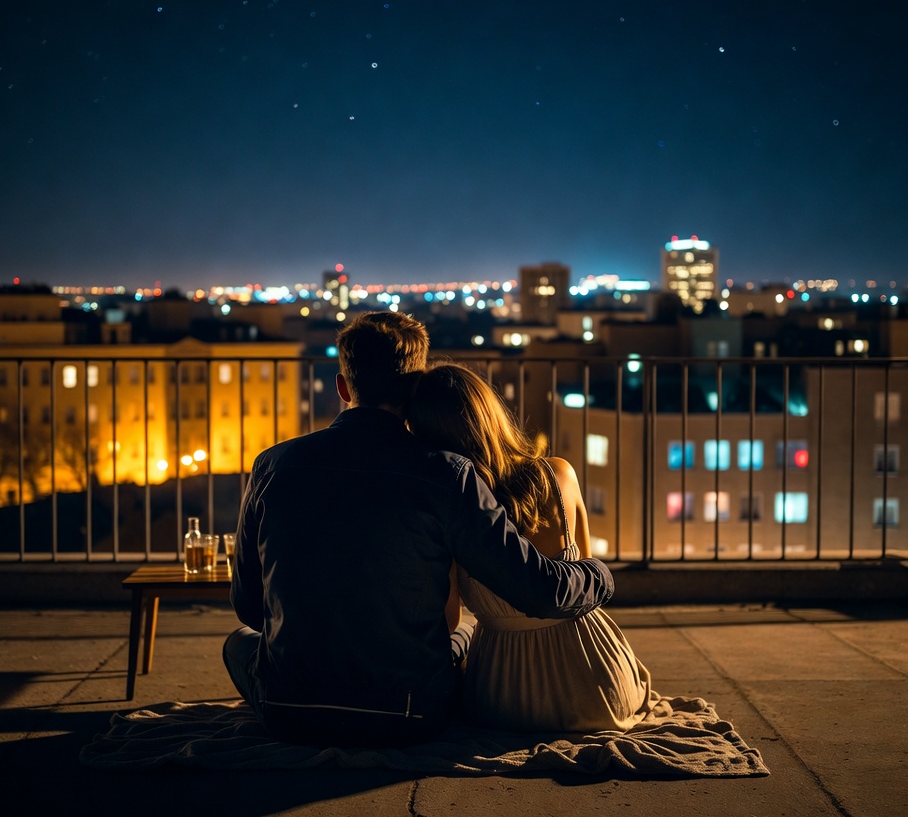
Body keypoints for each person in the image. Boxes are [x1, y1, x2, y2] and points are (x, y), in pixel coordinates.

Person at [223, 311, 615, 747]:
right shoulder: (449, 475)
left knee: (238, 642)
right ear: (415, 388)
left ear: (343, 387)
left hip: (292, 713)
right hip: (408, 713)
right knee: (463, 634)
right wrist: (599, 573)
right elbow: (539, 590)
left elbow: (248, 607)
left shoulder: (273, 465)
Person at [408, 362, 654, 733]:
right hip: (597, 686)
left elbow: (450, 618)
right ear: (489, 413)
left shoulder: (448, 505)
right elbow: (585, 574)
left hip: (502, 694)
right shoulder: (558, 474)